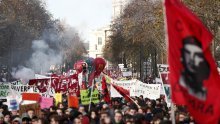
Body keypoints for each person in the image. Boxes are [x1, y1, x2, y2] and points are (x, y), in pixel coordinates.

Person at [180, 36, 210, 100]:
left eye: (197, 55)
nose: (192, 59)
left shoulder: (208, 89)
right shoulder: (181, 85)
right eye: (188, 53)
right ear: (182, 57)